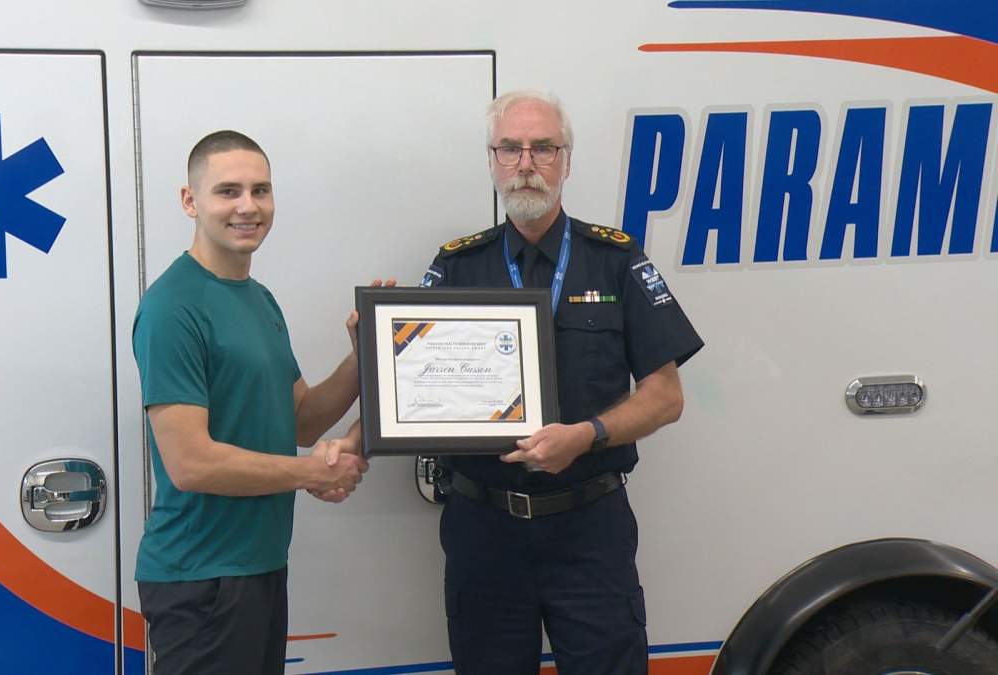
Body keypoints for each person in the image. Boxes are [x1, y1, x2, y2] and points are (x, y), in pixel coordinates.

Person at [419, 91, 704, 674]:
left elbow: (665, 397)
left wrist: (589, 434)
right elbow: (411, 390)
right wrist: (369, 359)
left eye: (543, 148)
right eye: (512, 149)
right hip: (484, 531)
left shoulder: (616, 261)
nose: (527, 163)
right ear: (493, 160)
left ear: (566, 160)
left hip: (589, 531)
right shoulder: (455, 268)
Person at [132, 130, 369, 675]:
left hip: (257, 566)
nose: (248, 206)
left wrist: (364, 358)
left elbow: (302, 419)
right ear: (190, 201)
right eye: (228, 191)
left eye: (261, 191)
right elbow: (190, 463)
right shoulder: (173, 307)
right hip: (199, 579)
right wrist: (312, 474)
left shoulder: (259, 299)